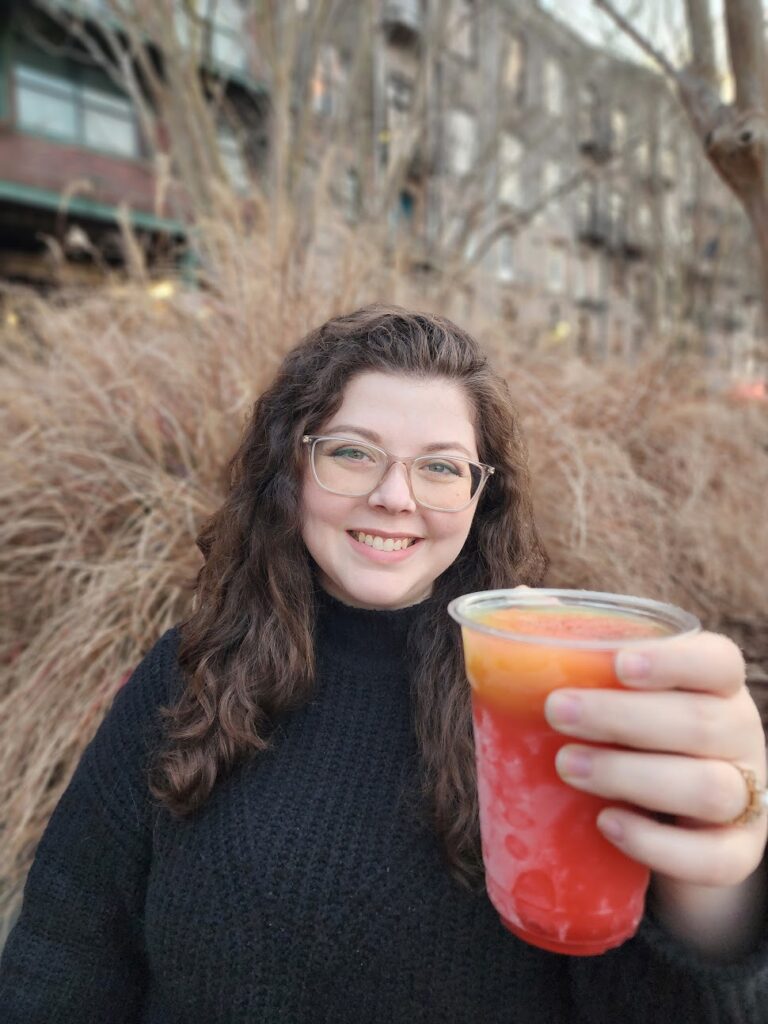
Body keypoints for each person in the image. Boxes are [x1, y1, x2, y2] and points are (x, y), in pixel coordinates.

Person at [0, 304, 766, 1023]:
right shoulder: (187, 675)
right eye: (352, 453)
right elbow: (64, 952)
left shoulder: (555, 688)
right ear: (289, 468)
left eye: (440, 468)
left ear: (479, 497)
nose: (394, 496)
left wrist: (713, 906)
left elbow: (638, 999)